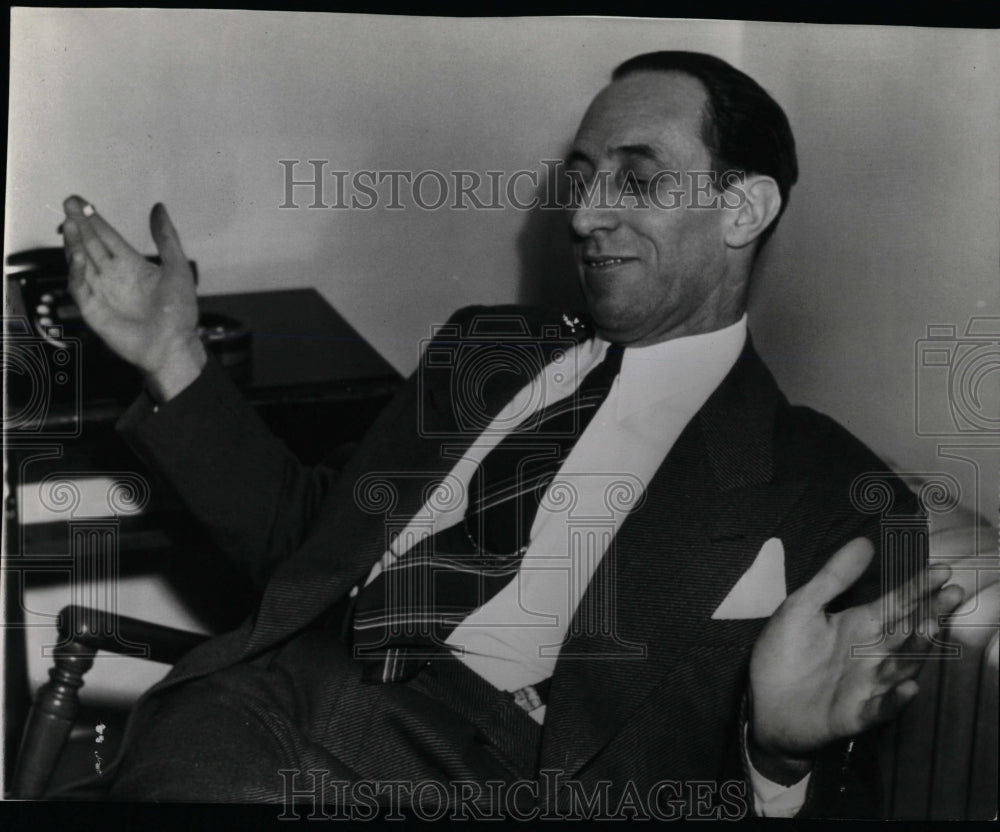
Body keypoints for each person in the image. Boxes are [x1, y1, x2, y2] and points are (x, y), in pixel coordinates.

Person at [58, 51, 963, 818]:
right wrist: (173, 356)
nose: (582, 216)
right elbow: (308, 545)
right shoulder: (486, 349)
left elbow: (846, 785)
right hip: (278, 696)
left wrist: (776, 761)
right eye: (582, 178)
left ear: (744, 209)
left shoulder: (826, 486)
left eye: (638, 180)